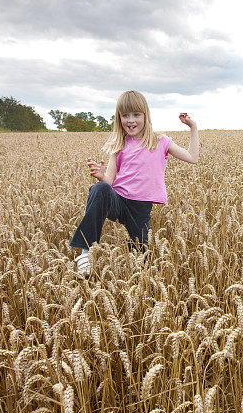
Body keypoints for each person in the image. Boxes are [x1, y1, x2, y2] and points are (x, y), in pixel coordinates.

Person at [70, 90, 199, 276]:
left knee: (142, 260)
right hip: (119, 199)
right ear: (119, 118)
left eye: (136, 115)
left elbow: (192, 157)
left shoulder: (160, 141)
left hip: (140, 208)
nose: (131, 120)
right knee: (99, 189)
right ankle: (85, 252)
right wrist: (100, 176)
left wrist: (193, 127)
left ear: (146, 115)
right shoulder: (119, 143)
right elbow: (109, 180)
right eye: (125, 115)